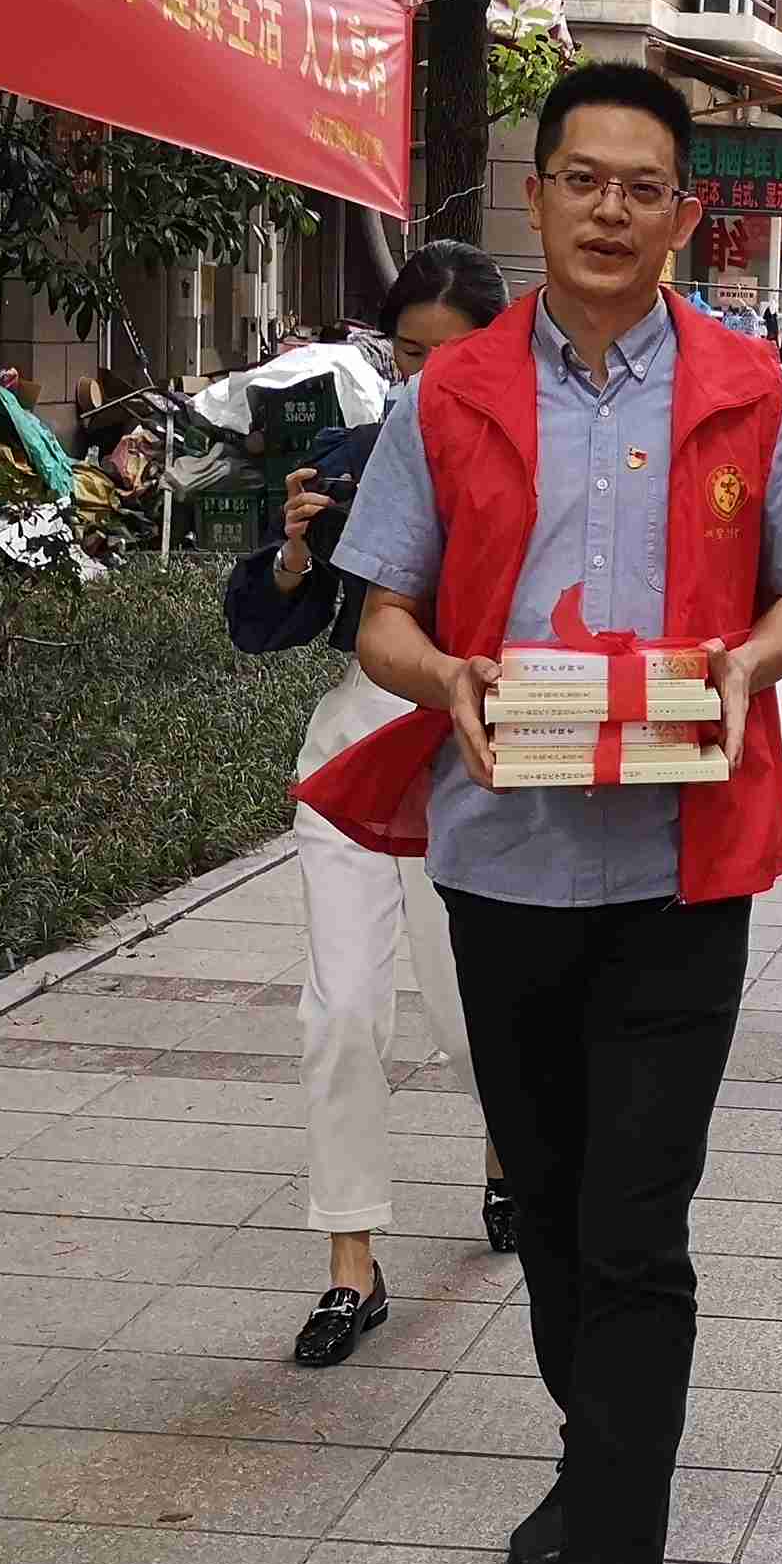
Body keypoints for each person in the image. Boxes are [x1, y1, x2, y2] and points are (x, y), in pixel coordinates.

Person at [318, 62, 782, 1564]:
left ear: (684, 211)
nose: (612, 208)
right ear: (536, 197)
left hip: (684, 869)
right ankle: (591, 1449)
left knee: (636, 1231)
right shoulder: (454, 394)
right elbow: (380, 618)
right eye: (582, 179)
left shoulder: (749, 388)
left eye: (644, 185)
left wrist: (744, 665)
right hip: (506, 864)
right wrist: (451, 679)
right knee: (549, 1215)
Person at [222, 246, 516, 1370]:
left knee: (467, 1013)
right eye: (408, 354)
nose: (426, 376)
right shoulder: (354, 454)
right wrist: (297, 552)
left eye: (452, 355)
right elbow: (260, 623)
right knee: (340, 1011)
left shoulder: (533, 462)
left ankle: (507, 1151)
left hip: (471, 761)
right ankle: (351, 1264)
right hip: (355, 753)